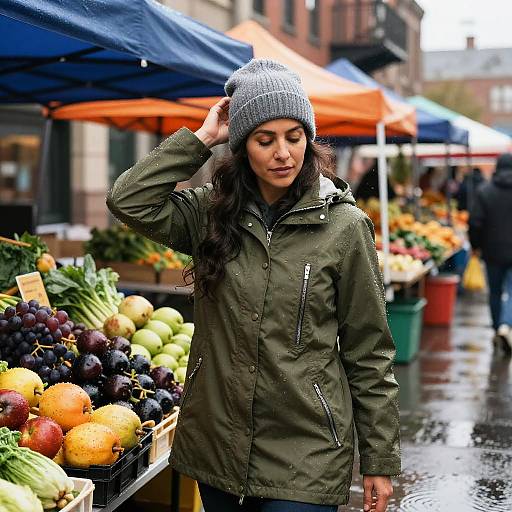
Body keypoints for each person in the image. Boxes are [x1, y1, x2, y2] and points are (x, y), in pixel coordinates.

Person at [107, 59, 400, 512]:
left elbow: (369, 349)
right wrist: (201, 139)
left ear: (309, 138)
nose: (283, 153)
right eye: (265, 140)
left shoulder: (345, 228)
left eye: (294, 136)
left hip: (307, 451)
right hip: (217, 443)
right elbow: (129, 200)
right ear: (242, 146)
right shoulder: (210, 214)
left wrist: (379, 459)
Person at [469, 153, 512, 355]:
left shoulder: (484, 191)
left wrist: (475, 246)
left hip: (492, 252)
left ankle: (498, 329)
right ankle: (505, 326)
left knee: (495, 293)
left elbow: (475, 222)